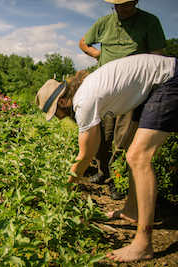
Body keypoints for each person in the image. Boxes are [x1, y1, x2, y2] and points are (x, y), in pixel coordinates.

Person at [36, 54, 178, 262]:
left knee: (138, 157)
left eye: (55, 112)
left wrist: (65, 189)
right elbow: (93, 145)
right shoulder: (87, 90)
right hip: (158, 82)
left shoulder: (83, 101)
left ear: (63, 101)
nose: (58, 118)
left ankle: (143, 243)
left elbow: (86, 155)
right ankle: (131, 211)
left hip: (169, 80)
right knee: (133, 152)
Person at [79, 0, 166, 200]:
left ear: (136, 2)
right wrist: (99, 55)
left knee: (123, 136)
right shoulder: (104, 22)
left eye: (126, 5)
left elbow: (157, 55)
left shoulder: (149, 22)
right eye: (117, 5)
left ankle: (116, 180)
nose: (121, 9)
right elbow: (83, 42)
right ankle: (102, 172)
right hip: (105, 87)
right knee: (102, 133)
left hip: (133, 90)